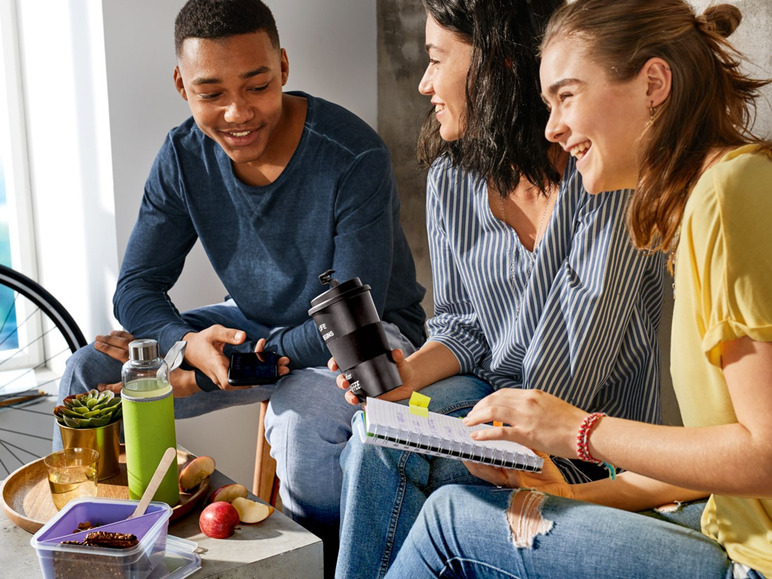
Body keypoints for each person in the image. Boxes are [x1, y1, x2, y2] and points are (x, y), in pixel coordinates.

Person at [385, 1, 772, 577]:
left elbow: (764, 454)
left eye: (567, 96)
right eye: (547, 104)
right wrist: (570, 496)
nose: (551, 128)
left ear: (654, 84)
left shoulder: (730, 192)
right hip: (725, 523)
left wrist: (577, 431)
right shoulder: (701, 203)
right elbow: (713, 448)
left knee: (448, 521)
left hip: (754, 562)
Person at [53, 0, 426, 570]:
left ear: (282, 65)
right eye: (211, 94)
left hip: (361, 336)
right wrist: (186, 347)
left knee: (299, 428)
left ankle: (320, 565)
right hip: (253, 327)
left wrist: (246, 360)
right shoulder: (182, 157)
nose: (237, 112)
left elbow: (356, 310)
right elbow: (136, 286)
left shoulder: (353, 155)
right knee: (89, 373)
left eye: (257, 86)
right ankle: (99, 544)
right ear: (182, 85)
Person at [333, 0, 666, 576]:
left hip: (584, 436)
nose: (424, 83)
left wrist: (449, 433)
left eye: (438, 61)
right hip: (490, 405)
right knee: (373, 433)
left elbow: (569, 376)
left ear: (499, 67)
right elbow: (462, 325)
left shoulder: (605, 173)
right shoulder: (450, 179)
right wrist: (403, 379)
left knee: (410, 463)